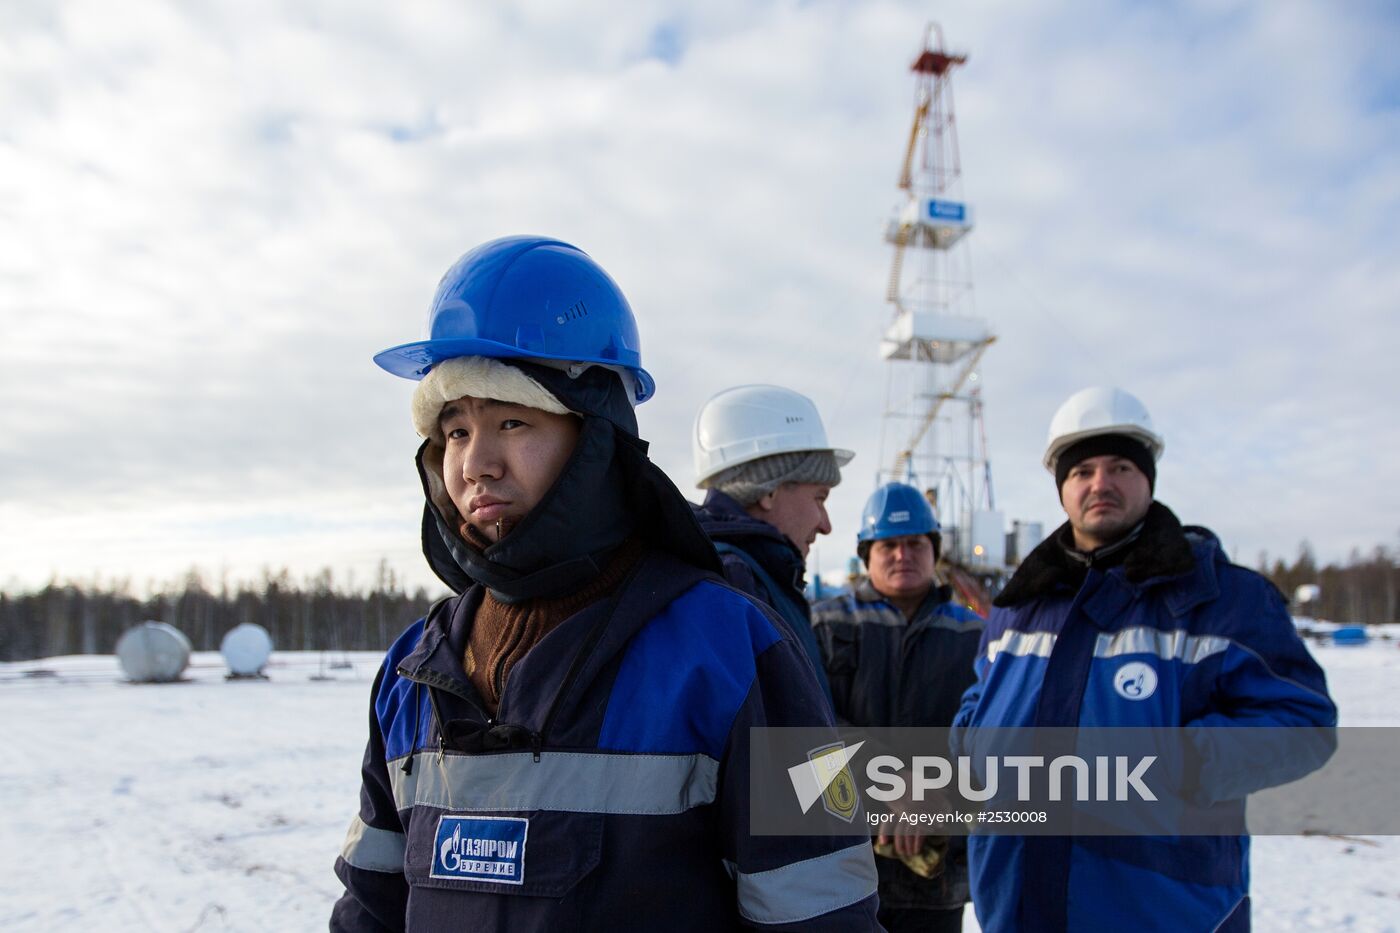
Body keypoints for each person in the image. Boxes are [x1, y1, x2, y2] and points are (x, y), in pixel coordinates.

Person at [330, 236, 879, 931]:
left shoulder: (731, 650)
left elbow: (821, 914)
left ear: (597, 437)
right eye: (456, 429)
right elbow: (371, 908)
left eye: (511, 420)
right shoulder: (414, 669)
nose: (476, 463)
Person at [953, 386, 1337, 933]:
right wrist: (972, 739)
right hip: (1016, 900)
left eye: (1120, 467)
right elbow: (979, 696)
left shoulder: (1221, 599)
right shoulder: (1021, 606)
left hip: (1160, 907)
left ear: (1148, 478)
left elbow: (1304, 721)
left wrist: (1178, 761)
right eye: (1082, 470)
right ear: (1062, 486)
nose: (1100, 484)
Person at [811, 483, 982, 933]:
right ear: (866, 555)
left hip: (938, 871)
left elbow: (992, 737)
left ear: (935, 551)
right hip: (841, 864)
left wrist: (935, 792)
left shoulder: (976, 637)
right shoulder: (826, 625)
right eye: (888, 544)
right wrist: (888, 780)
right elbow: (806, 725)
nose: (902, 554)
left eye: (915, 543)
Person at [691, 384, 853, 705]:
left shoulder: (753, 577)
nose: (826, 525)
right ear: (767, 492)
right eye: (819, 498)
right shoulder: (737, 585)